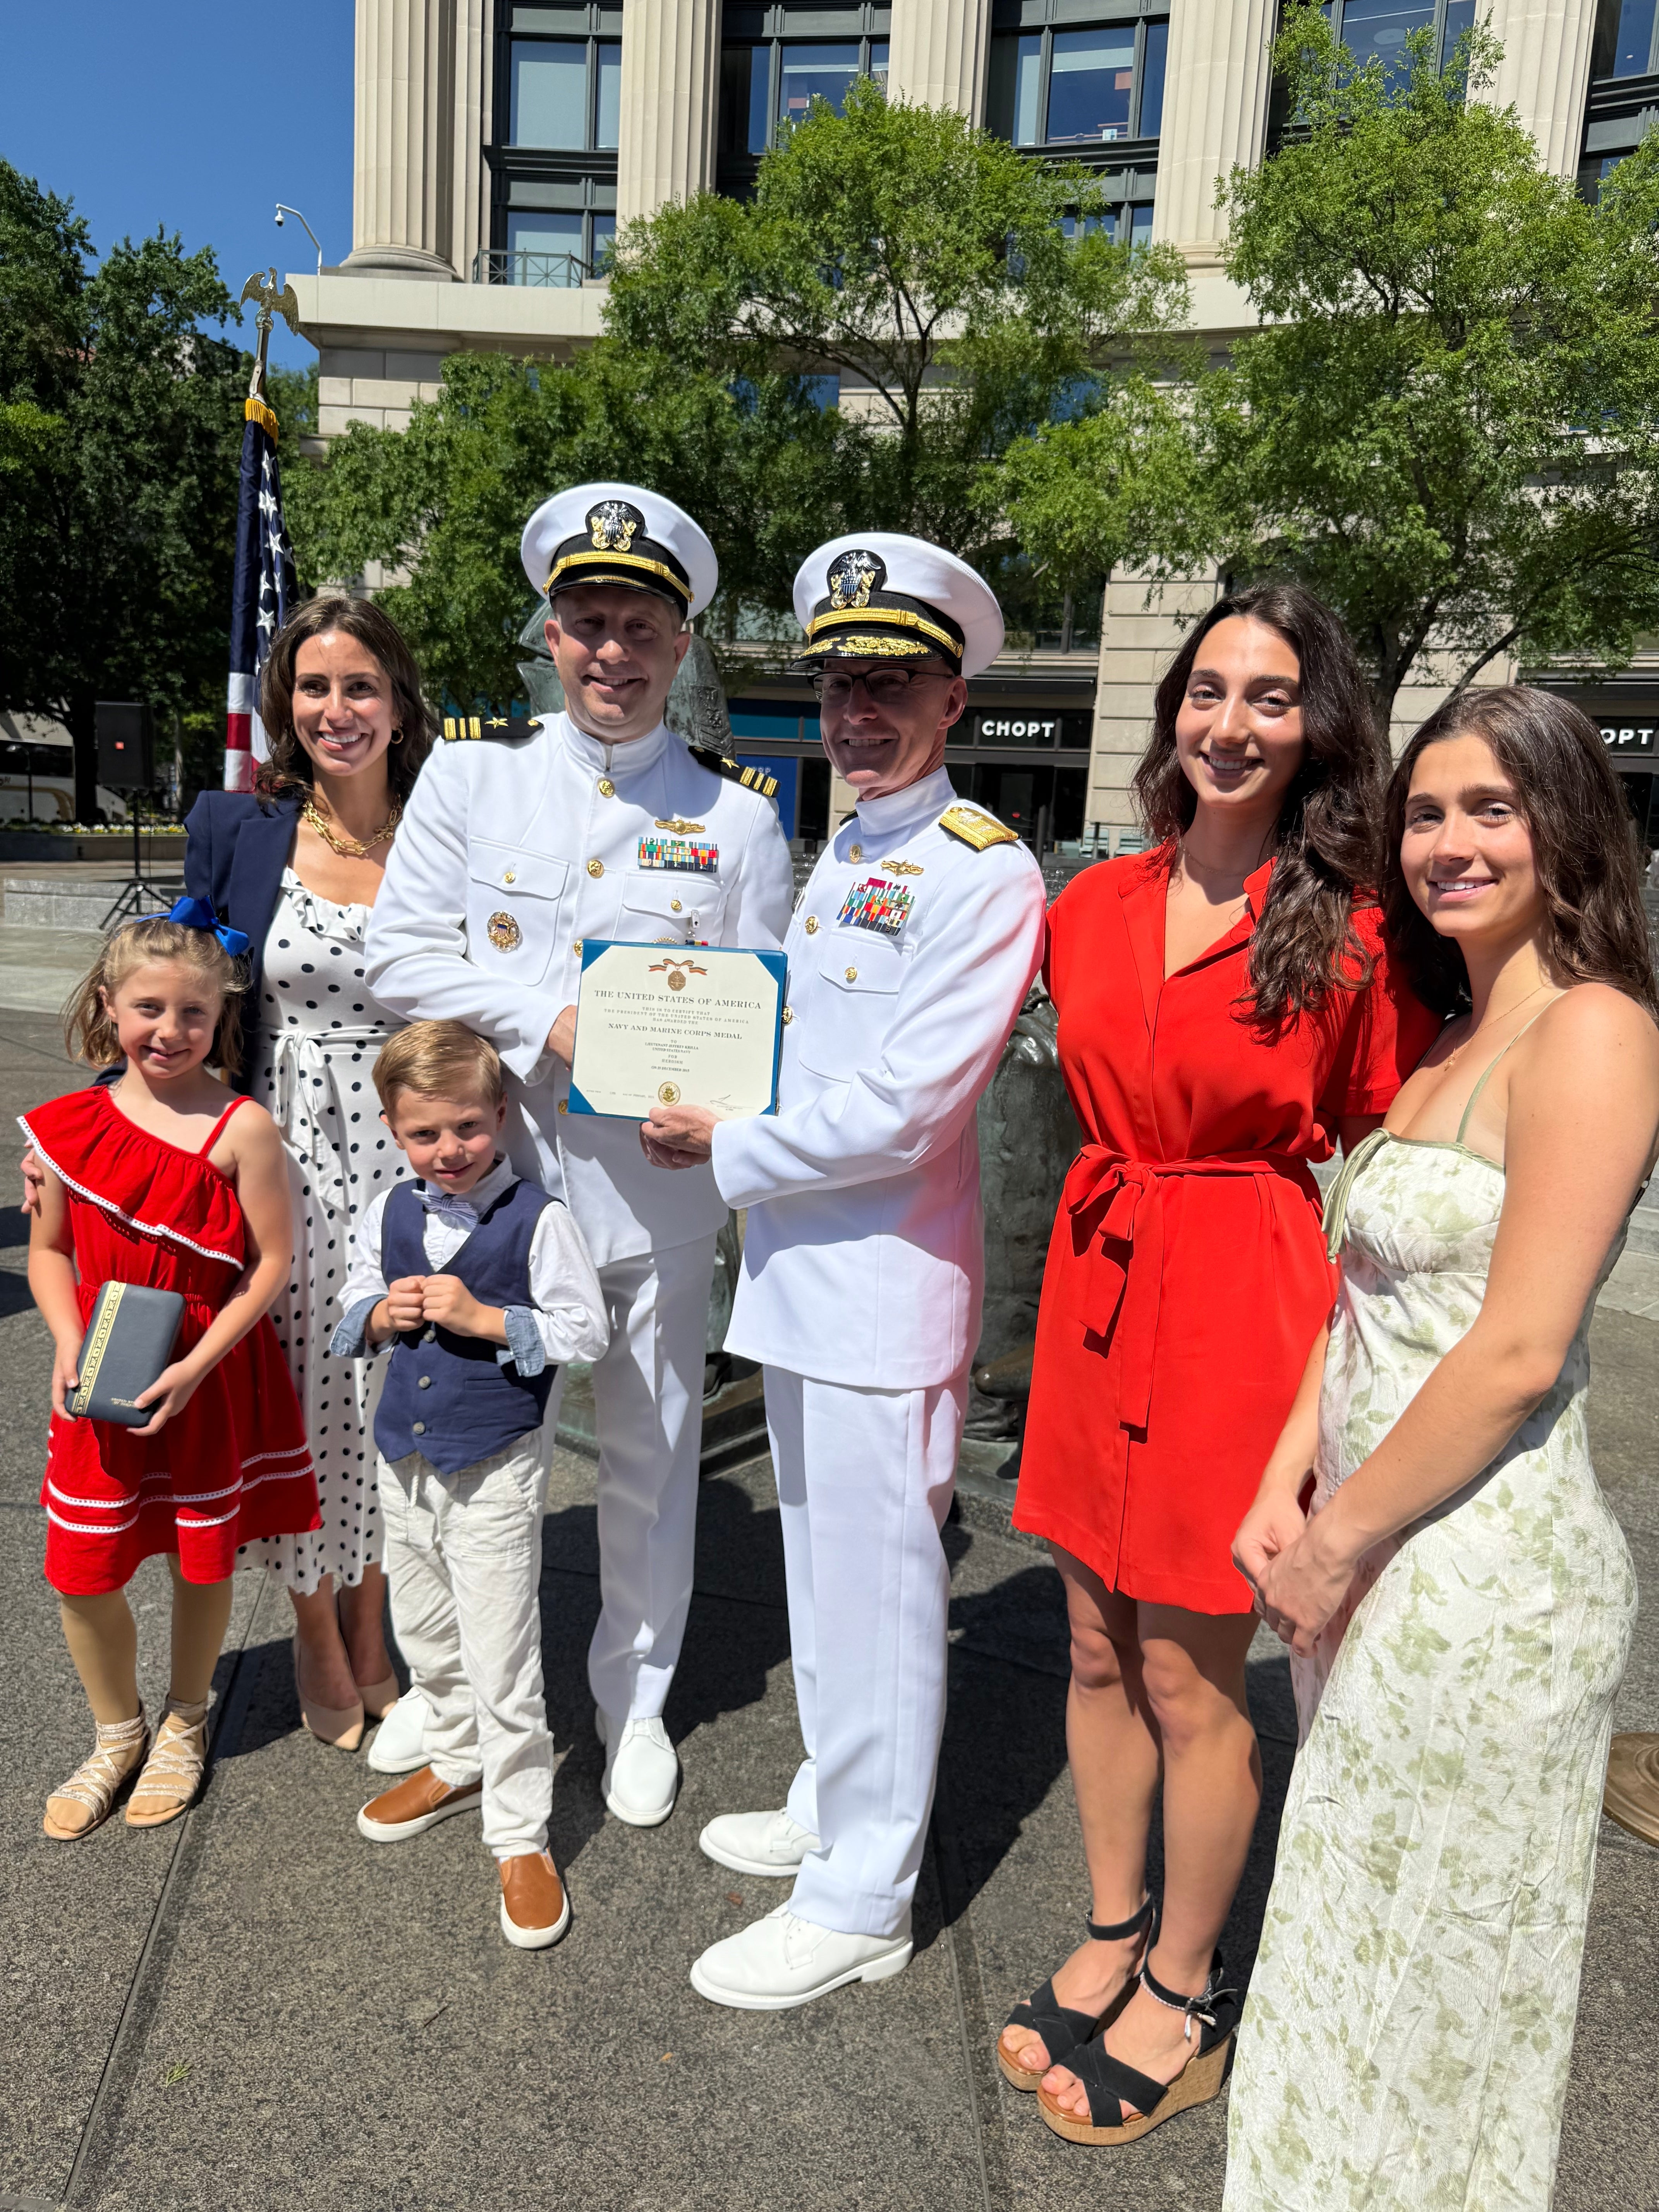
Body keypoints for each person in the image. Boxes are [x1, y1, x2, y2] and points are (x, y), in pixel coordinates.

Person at [1003, 584, 1441, 2145]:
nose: (1230, 723)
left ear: (1317, 729)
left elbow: (1397, 1154)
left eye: (1269, 697)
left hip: (1240, 1304)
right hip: (1098, 1282)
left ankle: (1184, 1989)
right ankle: (1116, 1924)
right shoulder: (1089, 904)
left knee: (1194, 1676)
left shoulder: (1357, 934)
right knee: (1092, 1645)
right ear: (1171, 709)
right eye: (1207, 690)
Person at [1225, 687, 1659, 2211]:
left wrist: (1335, 1544)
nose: (1449, 844)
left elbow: (1520, 1349)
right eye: (1425, 813)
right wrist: (1286, 1478)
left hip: (1480, 1585)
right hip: (1375, 1563)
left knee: (1431, 1998)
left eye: (1492, 809)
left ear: (1569, 825)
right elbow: (1364, 1296)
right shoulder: (1453, 1034)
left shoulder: (1594, 1030)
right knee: (1350, 1952)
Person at [643, 534, 1047, 2008]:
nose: (856, 713)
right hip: (803, 1280)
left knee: (879, 1594)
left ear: (952, 699)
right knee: (824, 1581)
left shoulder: (981, 871)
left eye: (888, 685)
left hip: (882, 1287)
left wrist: (732, 1145)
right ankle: (836, 1794)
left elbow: (911, 1106)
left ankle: (866, 1893)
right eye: (836, 687)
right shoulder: (850, 850)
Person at [364, 484, 795, 1829]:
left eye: (641, 628)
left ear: (682, 644)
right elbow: (398, 954)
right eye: (589, 623)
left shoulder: (737, 821)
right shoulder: (472, 777)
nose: (613, 652)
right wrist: (542, 1019)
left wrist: (722, 1114)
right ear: (549, 635)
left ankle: (635, 1697)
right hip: (491, 1193)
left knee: (651, 1465)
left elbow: (760, 1016)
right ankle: (459, 1692)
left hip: (649, 1196)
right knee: (471, 1458)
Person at [185, 596, 432, 1760]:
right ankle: (314, 1626)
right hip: (281, 1145)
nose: (337, 709)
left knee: (388, 1391)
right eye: (314, 687)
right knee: (303, 1391)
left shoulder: (443, 837)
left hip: (410, 1145)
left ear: (400, 704)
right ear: (288, 704)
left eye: (360, 686)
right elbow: (171, 991)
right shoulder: (240, 828)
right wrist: (108, 1130)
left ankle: (374, 1616)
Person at [26, 907, 318, 1838]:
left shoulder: (242, 1127)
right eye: (149, 1008)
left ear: (221, 1016)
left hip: (203, 1372)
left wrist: (196, 1364)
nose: (170, 1030)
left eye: (194, 1012)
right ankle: (117, 1733)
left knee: (201, 1557)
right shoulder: (65, 1129)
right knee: (81, 1569)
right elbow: (48, 1253)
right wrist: (67, 1341)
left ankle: (186, 1720)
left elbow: (271, 1262)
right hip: (101, 1365)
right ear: (109, 1006)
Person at [332, 1022, 608, 1948]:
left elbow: (585, 1332)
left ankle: (521, 1832)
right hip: (402, 1459)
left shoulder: (539, 1218)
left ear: (499, 1115)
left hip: (494, 1463)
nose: (449, 1150)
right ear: (393, 1130)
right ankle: (457, 1756)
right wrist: (379, 1313)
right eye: (425, 1134)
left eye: (468, 1128)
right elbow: (350, 1302)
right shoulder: (387, 1211)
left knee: (502, 1651)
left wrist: (488, 1318)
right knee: (422, 1625)